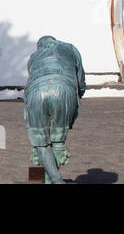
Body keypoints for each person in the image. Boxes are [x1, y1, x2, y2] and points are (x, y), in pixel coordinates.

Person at [23, 36, 87, 184]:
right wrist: (79, 93)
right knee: (57, 140)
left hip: (36, 93)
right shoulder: (69, 48)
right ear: (54, 41)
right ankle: (55, 180)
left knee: (40, 142)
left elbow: (31, 77)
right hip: (63, 88)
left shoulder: (33, 57)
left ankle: (52, 179)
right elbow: (81, 77)